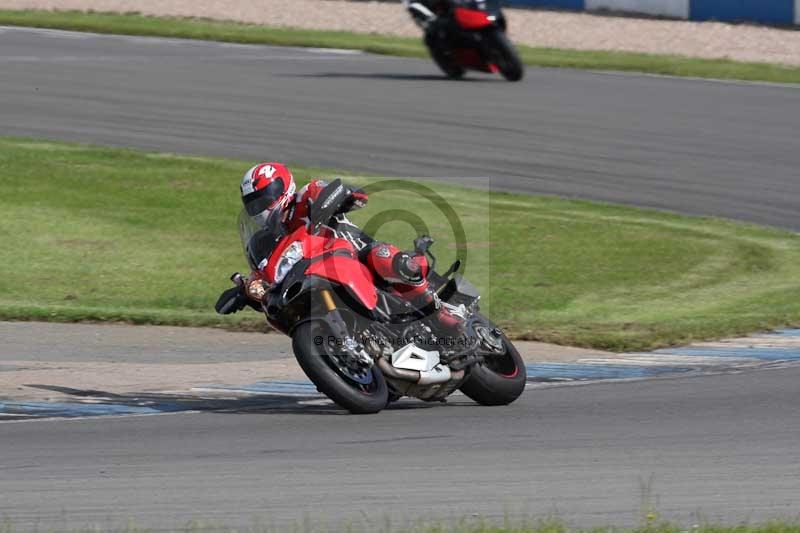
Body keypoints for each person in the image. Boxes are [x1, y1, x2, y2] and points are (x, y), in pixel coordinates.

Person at [216, 162, 461, 330]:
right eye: (254, 205)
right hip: (317, 274)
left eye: (266, 198)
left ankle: (438, 311)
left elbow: (352, 193)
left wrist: (343, 197)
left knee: (383, 256)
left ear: (283, 189)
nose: (261, 208)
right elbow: (267, 270)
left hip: (358, 254)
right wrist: (247, 291)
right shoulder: (266, 238)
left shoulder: (308, 195)